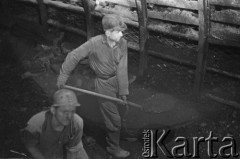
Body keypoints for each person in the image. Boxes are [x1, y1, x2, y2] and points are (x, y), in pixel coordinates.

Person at [57, 14, 131, 158]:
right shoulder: (94, 43)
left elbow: (122, 68)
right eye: (118, 31)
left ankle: (119, 133)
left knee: (122, 108)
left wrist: (123, 90)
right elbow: (73, 56)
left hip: (117, 80)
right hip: (103, 85)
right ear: (108, 32)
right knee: (113, 118)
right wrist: (63, 76)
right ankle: (113, 147)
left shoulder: (123, 43)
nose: (122, 34)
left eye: (122, 31)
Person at [21, 89, 89, 159]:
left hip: (71, 149)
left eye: (72, 111)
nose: (69, 116)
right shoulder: (35, 125)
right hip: (45, 151)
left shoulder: (77, 122)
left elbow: (73, 149)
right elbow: (30, 146)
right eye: (65, 112)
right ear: (53, 110)